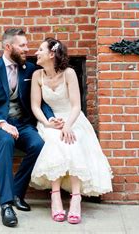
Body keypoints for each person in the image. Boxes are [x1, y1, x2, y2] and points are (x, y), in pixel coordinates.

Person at [0, 28, 63, 227]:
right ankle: (6, 205)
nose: (27, 49)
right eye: (22, 45)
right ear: (8, 47)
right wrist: (2, 123)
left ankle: (16, 192)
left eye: (27, 45)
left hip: (23, 124)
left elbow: (41, 102)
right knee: (5, 141)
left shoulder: (30, 69)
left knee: (38, 144)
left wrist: (51, 119)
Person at [30, 38, 113, 224]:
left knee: (71, 141)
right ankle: (56, 196)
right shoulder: (37, 76)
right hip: (50, 121)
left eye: (40, 49)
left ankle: (76, 198)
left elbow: (76, 106)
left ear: (52, 54)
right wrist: (48, 123)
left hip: (73, 119)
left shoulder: (69, 73)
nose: (36, 53)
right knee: (55, 141)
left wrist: (67, 125)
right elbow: (35, 106)